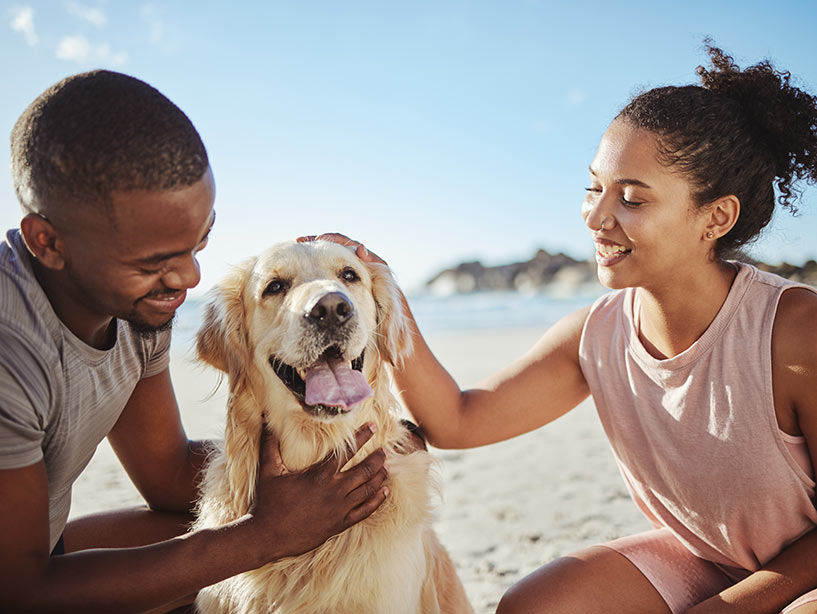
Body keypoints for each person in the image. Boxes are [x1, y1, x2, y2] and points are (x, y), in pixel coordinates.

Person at [315, 45, 817, 613]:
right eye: (592, 187)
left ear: (716, 217)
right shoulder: (596, 336)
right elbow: (457, 419)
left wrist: (727, 608)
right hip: (706, 557)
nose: (597, 216)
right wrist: (386, 298)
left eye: (631, 198)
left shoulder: (796, 330)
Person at [0, 70, 391, 613]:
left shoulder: (133, 308)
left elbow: (166, 478)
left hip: (39, 551)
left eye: (198, 241)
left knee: (195, 527)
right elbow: (18, 593)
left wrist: (341, 464)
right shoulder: (9, 350)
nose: (187, 277)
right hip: (19, 582)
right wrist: (264, 535)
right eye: (154, 261)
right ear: (48, 241)